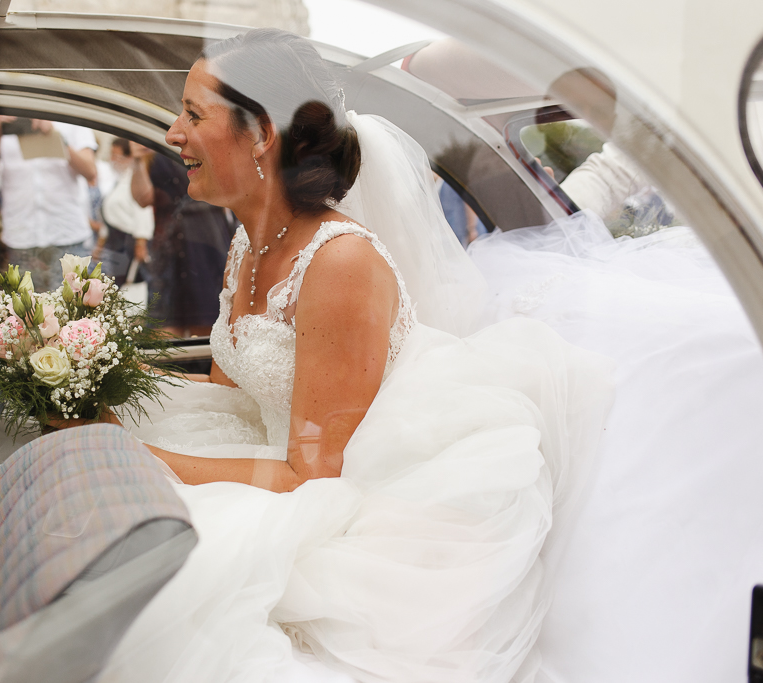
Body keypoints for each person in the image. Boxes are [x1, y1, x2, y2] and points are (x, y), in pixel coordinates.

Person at [91, 28, 613, 683]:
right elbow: (231, 395)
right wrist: (101, 373)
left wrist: (142, 457)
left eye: (194, 114)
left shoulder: (339, 263)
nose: (172, 133)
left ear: (261, 136)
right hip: (271, 457)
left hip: (340, 501)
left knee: (150, 588)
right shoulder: (248, 244)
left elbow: (315, 475)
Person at [0, 116, 99, 291]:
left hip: (68, 234)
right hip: (21, 238)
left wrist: (55, 136)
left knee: (73, 312)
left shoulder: (70, 108)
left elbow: (90, 171)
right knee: (27, 315)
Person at [130, 141, 235, 337]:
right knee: (165, 333)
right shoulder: (155, 148)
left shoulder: (205, 143)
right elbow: (143, 198)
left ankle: (204, 368)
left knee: (208, 328)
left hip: (206, 246)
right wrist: (138, 160)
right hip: (169, 251)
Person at [92, 138, 154, 283]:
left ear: (129, 157)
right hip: (114, 240)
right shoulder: (119, 179)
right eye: (111, 155)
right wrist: (100, 244)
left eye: (117, 156)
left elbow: (143, 210)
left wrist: (141, 243)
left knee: (125, 284)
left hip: (128, 242)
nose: (113, 160)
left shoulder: (136, 180)